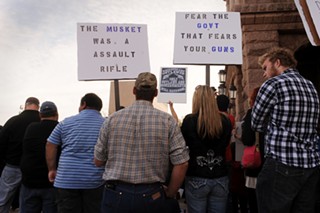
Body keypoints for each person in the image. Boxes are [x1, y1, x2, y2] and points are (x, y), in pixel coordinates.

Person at [94, 72, 189, 213]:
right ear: (155, 93)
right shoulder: (168, 121)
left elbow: (98, 161)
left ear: (134, 91)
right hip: (152, 195)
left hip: (116, 194)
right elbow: (181, 163)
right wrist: (170, 192)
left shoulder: (112, 120)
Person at [251, 47, 320, 213]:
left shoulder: (273, 84)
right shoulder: (310, 85)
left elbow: (256, 122)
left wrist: (274, 125)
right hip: (310, 165)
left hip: (282, 162)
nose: (264, 73)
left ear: (278, 62)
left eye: (265, 68)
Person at [46, 93, 105, 213]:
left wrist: (52, 169)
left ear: (83, 105)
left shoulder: (65, 123)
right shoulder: (106, 124)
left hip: (66, 180)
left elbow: (50, 145)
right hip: (95, 181)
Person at [181, 85, 232, 213]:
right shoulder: (225, 122)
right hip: (220, 176)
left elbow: (183, 146)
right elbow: (226, 144)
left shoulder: (190, 121)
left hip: (196, 175)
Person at [0, 97, 40, 213]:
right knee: (28, 202)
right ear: (38, 106)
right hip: (35, 168)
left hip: (12, 165)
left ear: (26, 105)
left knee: (3, 200)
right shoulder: (41, 120)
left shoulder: (13, 121)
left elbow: (1, 143)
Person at [19, 101, 59, 213]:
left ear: (40, 115)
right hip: (51, 182)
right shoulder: (60, 129)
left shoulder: (31, 128)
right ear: (56, 114)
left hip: (30, 181)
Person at [241, 87, 264, 213]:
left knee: (254, 203)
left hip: (255, 166)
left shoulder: (252, 113)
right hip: (272, 166)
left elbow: (248, 140)